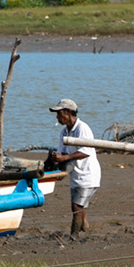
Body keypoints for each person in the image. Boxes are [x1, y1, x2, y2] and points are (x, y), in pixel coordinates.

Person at [47, 98, 101, 237]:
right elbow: (62, 152)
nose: (57, 117)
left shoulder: (82, 128)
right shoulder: (64, 132)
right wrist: (58, 165)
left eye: (59, 114)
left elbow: (86, 151)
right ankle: (86, 230)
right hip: (75, 175)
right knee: (79, 209)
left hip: (88, 175)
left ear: (68, 112)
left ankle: (74, 236)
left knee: (77, 207)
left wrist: (64, 158)